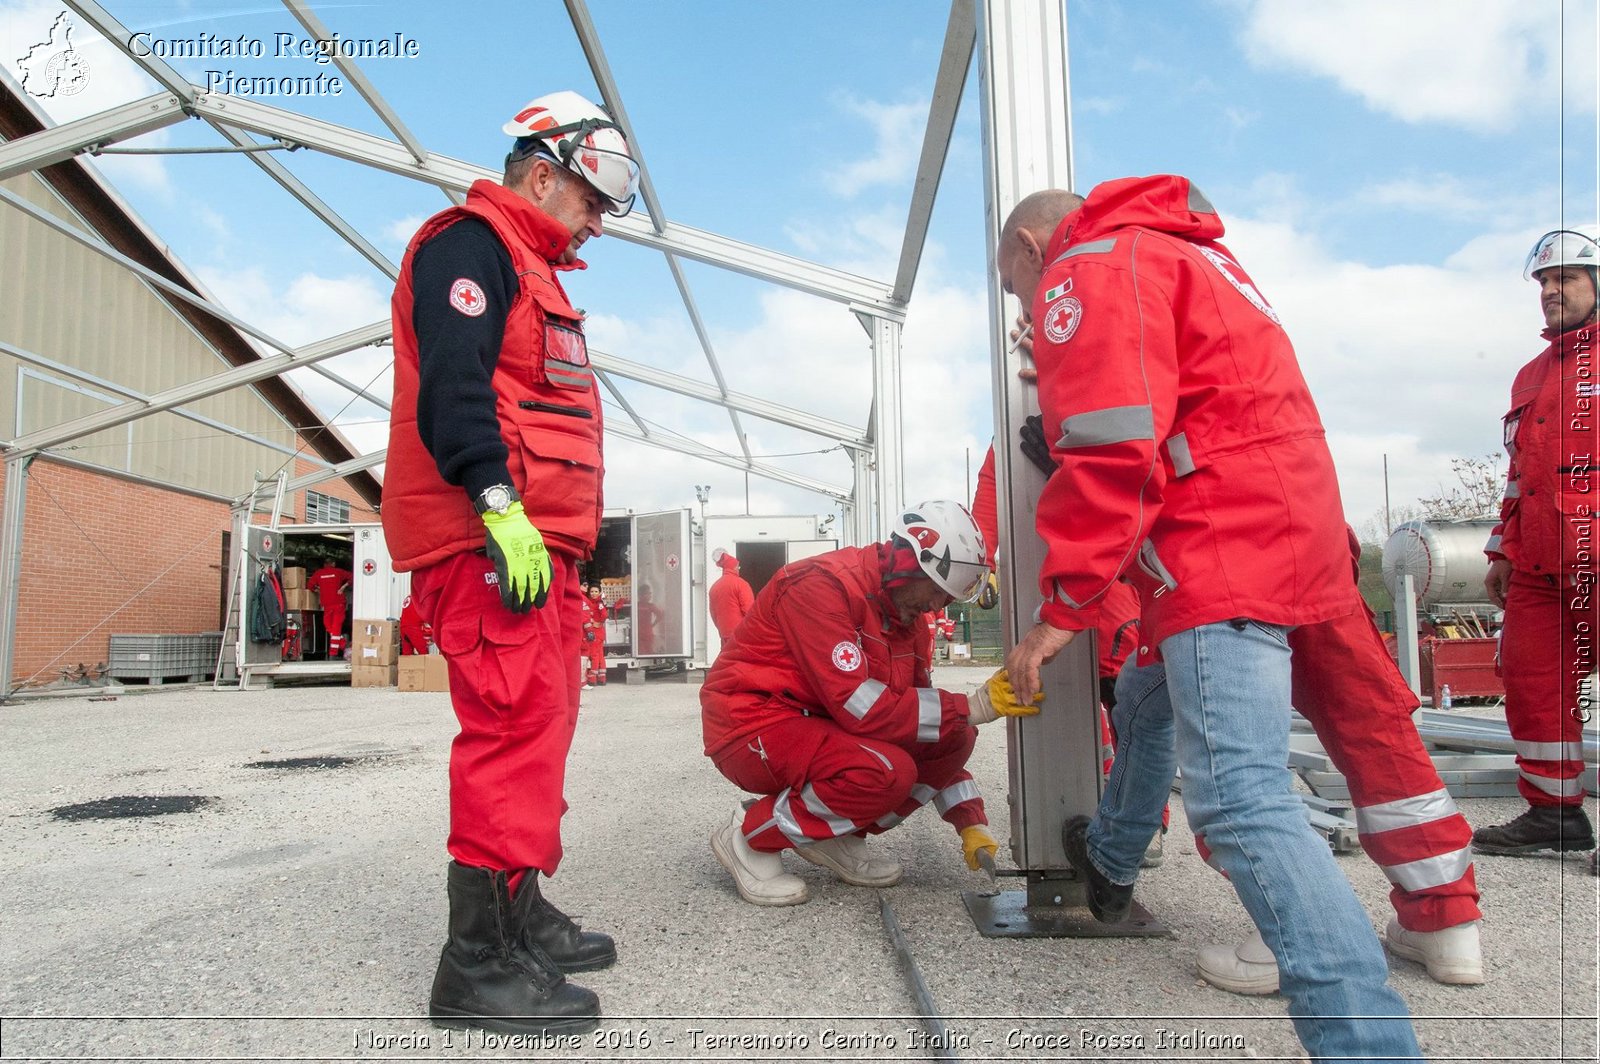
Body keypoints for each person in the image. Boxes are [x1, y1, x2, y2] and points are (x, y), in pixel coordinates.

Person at [996, 177, 1421, 1060]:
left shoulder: (1084, 264)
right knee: (1149, 699)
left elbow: (1113, 445)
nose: (1030, 312)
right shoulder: (1187, 253)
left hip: (1219, 544)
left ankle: (1368, 1047)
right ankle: (1112, 863)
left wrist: (1061, 610)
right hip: (1294, 526)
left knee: (1239, 799)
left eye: (1016, 289)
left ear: (1033, 251)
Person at [993, 335, 1483, 988]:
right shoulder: (1218, 323)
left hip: (1225, 562)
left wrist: (1074, 454)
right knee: (1369, 733)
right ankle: (1445, 922)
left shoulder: (1121, 311)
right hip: (1305, 538)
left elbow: (1133, 462)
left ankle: (1288, 933)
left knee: (1232, 771)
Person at [380, 89, 640, 1035]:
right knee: (508, 731)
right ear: (542, 172)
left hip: (539, 549)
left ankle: (519, 911)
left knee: (542, 727)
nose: (599, 225)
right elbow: (453, 388)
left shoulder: (535, 268)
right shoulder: (470, 247)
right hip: (491, 541)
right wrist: (498, 506)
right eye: (593, 202)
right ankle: (475, 963)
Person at [699, 501, 1039, 906]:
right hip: (751, 721)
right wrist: (973, 705)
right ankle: (750, 837)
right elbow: (860, 707)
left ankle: (835, 835)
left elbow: (923, 726)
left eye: (946, 600)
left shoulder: (906, 617)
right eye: (936, 592)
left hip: (815, 721)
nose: (935, 607)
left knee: (954, 736)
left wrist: (970, 820)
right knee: (883, 772)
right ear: (909, 564)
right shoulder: (820, 586)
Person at [1475, 224, 1599, 857]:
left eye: (1566, 278)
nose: (1551, 291)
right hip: (1540, 567)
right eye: (1544, 282)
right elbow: (1521, 476)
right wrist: (1500, 551)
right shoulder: (1532, 374)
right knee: (1531, 681)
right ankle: (1554, 814)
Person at [707, 548, 754, 645]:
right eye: (738, 567)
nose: (738, 569)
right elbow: (749, 610)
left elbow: (713, 613)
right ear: (734, 568)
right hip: (741, 634)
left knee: (727, 658)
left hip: (724, 634)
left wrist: (722, 628)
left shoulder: (714, 587)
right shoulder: (741, 584)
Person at [307, 563, 352, 658]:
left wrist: (319, 590)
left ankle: (333, 652)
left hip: (328, 605)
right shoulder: (338, 572)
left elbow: (310, 585)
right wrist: (343, 587)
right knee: (334, 628)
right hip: (338, 603)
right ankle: (343, 644)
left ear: (324, 564)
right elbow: (352, 577)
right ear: (333, 564)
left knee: (330, 627)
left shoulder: (319, 573)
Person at [580, 583, 607, 688]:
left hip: (596, 631)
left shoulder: (598, 603)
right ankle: (602, 678)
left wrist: (596, 622)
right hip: (599, 631)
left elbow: (604, 615)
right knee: (600, 655)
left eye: (596, 591)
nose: (593, 593)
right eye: (592, 591)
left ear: (600, 592)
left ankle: (592, 678)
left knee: (594, 655)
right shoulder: (593, 602)